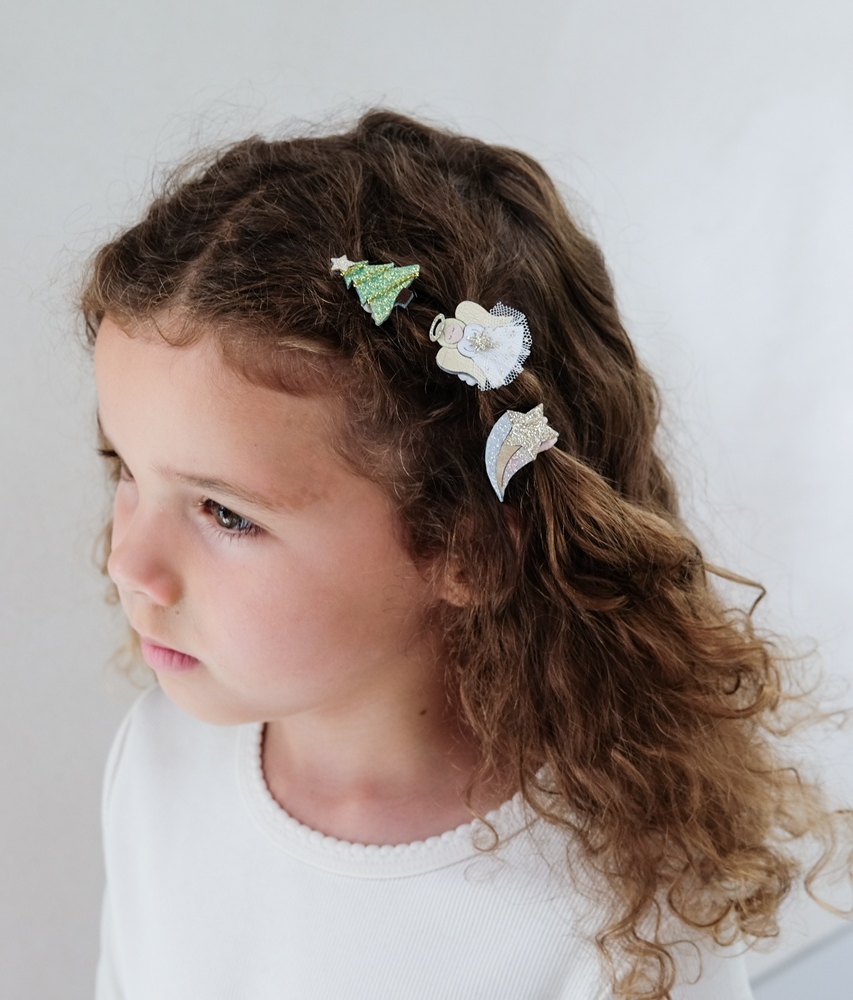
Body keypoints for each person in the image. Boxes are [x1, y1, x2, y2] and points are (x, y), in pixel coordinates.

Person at [81, 110, 849, 999]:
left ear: (468, 547)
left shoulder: (614, 912)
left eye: (225, 513)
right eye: (124, 468)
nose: (128, 563)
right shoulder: (162, 758)